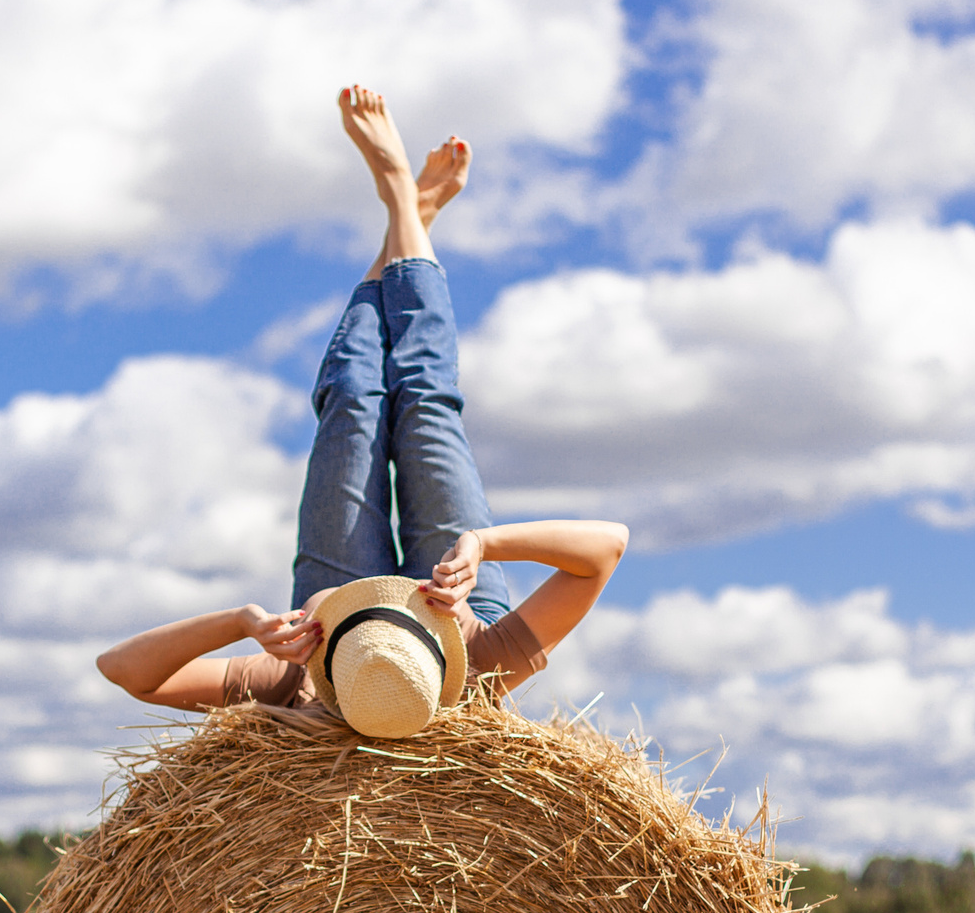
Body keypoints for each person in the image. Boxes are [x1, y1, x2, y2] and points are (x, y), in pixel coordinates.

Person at [97, 86, 627, 737]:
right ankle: (404, 198)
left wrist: (241, 622)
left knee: (351, 395)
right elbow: (606, 547)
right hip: (453, 597)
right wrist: (485, 543)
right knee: (423, 399)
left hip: (327, 611)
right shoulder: (481, 672)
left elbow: (124, 670)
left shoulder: (300, 676)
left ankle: (410, 214)